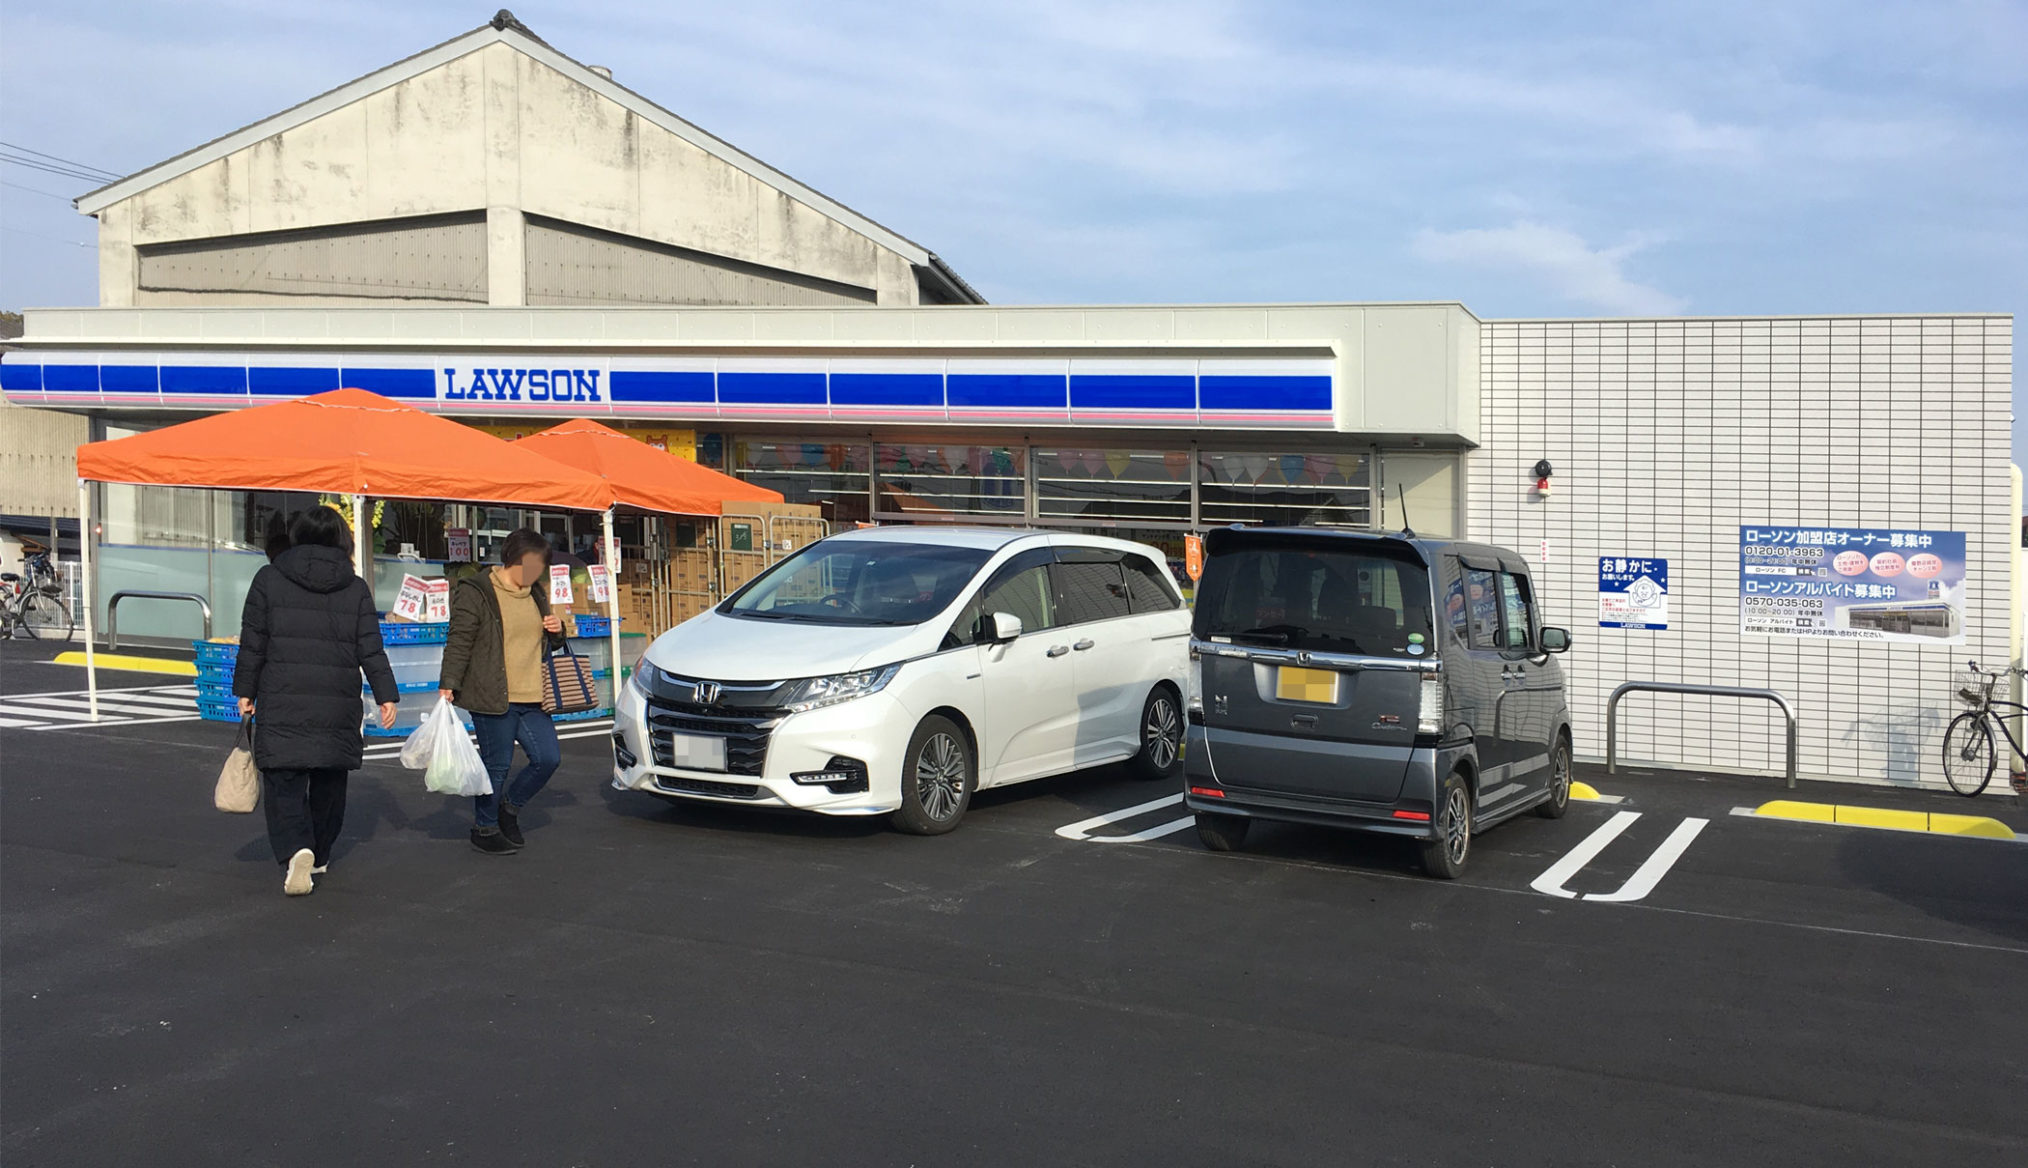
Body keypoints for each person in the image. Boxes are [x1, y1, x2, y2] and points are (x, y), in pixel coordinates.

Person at [232, 506, 399, 896]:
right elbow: (370, 648)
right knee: (328, 781)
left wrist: (245, 690)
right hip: (336, 703)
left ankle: (296, 848)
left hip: (282, 697)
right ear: (343, 540)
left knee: (283, 782)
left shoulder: (269, 579)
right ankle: (320, 852)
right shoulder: (354, 586)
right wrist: (386, 695)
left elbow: (253, 642)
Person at [439, 529, 565, 856]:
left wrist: (557, 632)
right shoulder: (478, 591)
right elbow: (459, 640)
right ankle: (485, 827)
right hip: (493, 694)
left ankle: (508, 808)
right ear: (514, 558)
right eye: (532, 564)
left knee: (547, 758)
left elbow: (549, 640)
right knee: (497, 765)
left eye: (541, 566)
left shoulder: (536, 593)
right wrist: (448, 683)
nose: (537, 572)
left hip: (534, 696)